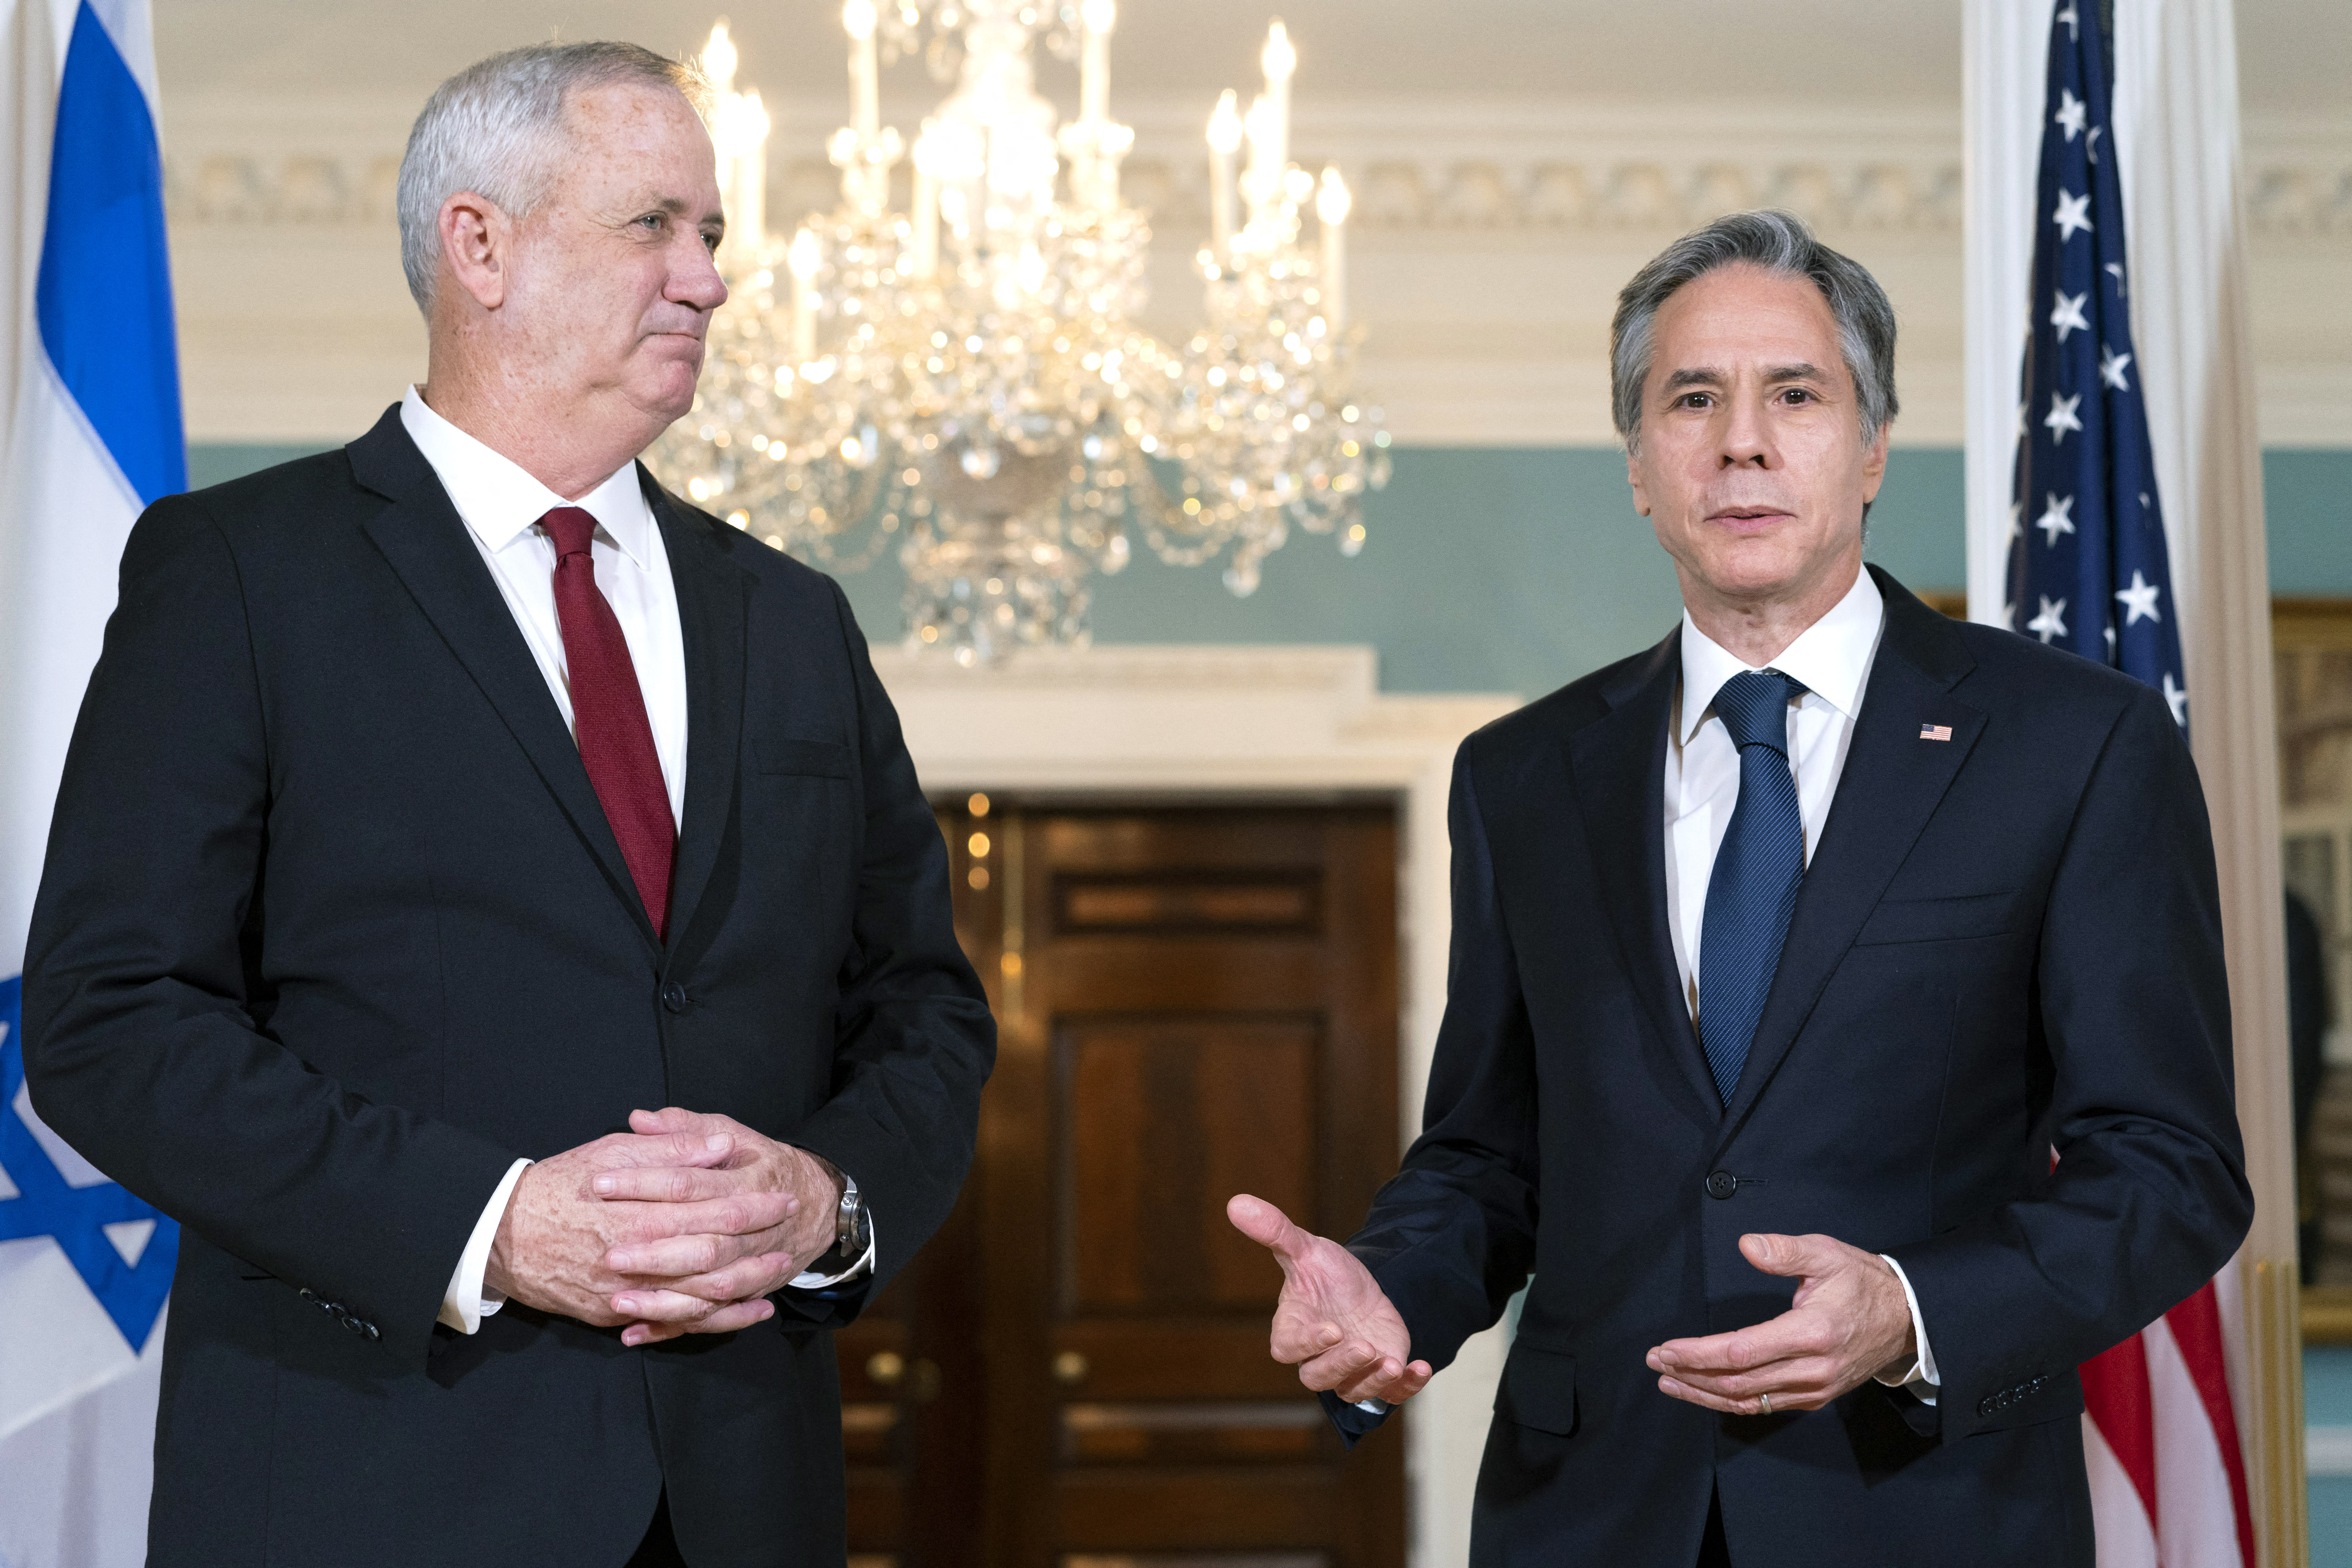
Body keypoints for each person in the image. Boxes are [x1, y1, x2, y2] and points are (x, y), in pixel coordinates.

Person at [22, 42, 993, 1568]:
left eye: (711, 234)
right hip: (369, 1492)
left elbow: (924, 1011)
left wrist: (827, 1200)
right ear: (479, 246)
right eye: (653, 224)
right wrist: (489, 1224)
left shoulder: (793, 617)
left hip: (744, 1500)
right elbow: (110, 1022)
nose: (708, 280)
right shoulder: (240, 576)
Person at [1229, 209, 2250, 1567]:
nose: (1743, 443)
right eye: (1693, 399)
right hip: (1589, 1514)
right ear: (1639, 467)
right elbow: (1491, 1152)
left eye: (1797, 395)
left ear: (1872, 445)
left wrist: (1910, 1309)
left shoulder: (2076, 744)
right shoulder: (1524, 775)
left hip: (1927, 1510)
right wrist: (1396, 1288)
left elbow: (2173, 1167)